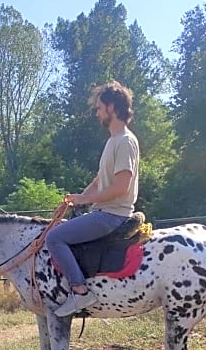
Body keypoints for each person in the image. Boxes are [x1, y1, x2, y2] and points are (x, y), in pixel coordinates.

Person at [46, 81, 140, 317]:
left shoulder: (125, 142)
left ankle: (79, 291)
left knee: (55, 237)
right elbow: (100, 180)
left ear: (111, 107)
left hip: (112, 214)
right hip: (105, 212)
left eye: (99, 108)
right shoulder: (113, 141)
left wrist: (85, 201)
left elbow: (121, 186)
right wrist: (77, 199)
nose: (97, 113)